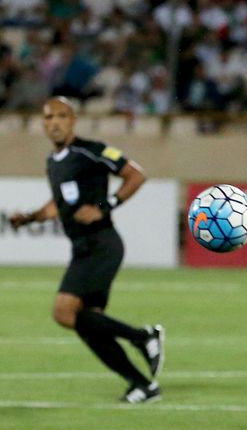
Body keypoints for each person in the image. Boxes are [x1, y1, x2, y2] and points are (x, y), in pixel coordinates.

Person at [8, 97, 164, 403]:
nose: (54, 122)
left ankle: (143, 336)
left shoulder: (91, 151)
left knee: (64, 312)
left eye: (61, 116)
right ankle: (143, 385)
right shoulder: (53, 162)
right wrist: (29, 219)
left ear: (73, 121)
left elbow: (136, 174)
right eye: (49, 117)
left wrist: (106, 206)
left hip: (101, 244)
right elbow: (58, 205)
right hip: (83, 249)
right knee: (90, 326)